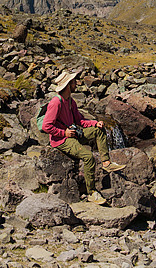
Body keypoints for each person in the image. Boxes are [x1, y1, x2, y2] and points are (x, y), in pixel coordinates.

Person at [41, 69, 125, 205]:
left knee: (99, 131)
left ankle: (106, 163)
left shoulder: (70, 101)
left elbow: (80, 121)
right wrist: (64, 133)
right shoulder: (56, 103)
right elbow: (46, 126)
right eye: (74, 82)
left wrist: (95, 123)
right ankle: (91, 192)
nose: (76, 83)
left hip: (73, 134)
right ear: (68, 85)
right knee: (88, 157)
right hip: (61, 140)